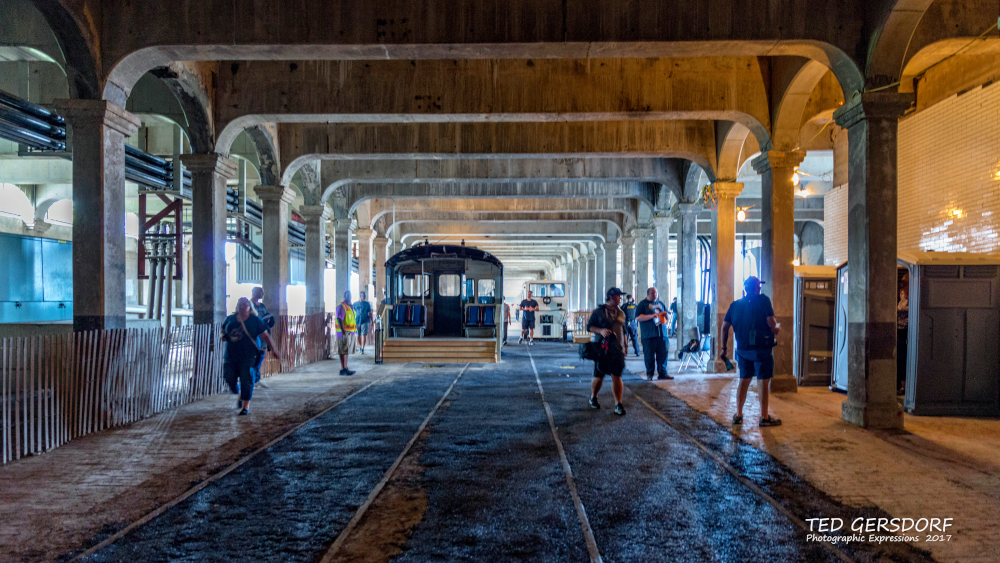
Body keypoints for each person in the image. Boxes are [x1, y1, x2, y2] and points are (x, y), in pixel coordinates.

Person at [720, 276, 782, 427]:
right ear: (756, 288)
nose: (760, 288)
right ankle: (764, 417)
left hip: (742, 349)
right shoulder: (763, 300)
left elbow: (724, 327)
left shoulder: (735, 305)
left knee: (744, 379)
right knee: (762, 381)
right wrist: (775, 329)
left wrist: (724, 348)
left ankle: (739, 414)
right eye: (759, 286)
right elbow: (770, 321)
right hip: (762, 349)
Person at [221, 297, 279, 416]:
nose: (243, 306)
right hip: (231, 355)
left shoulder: (255, 320)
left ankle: (246, 406)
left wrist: (273, 349)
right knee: (228, 377)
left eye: (245, 304)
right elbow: (223, 330)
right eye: (240, 304)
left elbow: (265, 336)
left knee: (247, 379)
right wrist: (223, 335)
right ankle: (239, 394)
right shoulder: (230, 319)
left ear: (250, 307)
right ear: (237, 306)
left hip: (249, 355)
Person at [587, 287, 628, 415]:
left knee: (617, 375)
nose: (620, 298)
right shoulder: (598, 312)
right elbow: (590, 327)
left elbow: (623, 329)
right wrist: (600, 331)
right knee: (599, 375)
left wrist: (625, 345)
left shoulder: (621, 313)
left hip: (617, 349)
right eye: (618, 296)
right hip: (602, 349)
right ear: (611, 297)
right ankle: (593, 397)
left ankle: (618, 404)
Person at [635, 287, 673, 380]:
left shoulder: (660, 303)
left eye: (656, 293)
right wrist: (651, 316)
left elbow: (667, 317)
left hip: (662, 335)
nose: (655, 295)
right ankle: (650, 374)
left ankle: (662, 373)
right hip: (649, 336)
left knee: (663, 355)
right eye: (653, 293)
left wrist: (665, 314)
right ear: (648, 294)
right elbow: (638, 317)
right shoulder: (642, 304)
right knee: (649, 356)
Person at [250, 287, 276, 386]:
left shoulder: (262, 306)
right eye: (260, 292)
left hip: (263, 336)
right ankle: (254, 379)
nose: (262, 293)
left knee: (261, 356)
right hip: (255, 336)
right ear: (254, 292)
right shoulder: (249, 305)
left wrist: (269, 319)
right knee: (254, 358)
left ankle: (256, 378)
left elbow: (266, 316)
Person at [336, 290, 358, 376]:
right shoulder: (342, 306)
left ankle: (345, 368)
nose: (349, 297)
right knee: (343, 350)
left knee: (346, 350)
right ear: (345, 296)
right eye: (348, 295)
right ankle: (343, 368)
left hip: (350, 332)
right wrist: (343, 331)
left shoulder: (350, 306)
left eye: (350, 295)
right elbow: (339, 318)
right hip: (344, 332)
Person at [897, 286, 909, 395]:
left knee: (904, 359)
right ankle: (902, 385)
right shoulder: (901, 300)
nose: (902, 292)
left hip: (907, 331)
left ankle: (905, 386)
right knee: (900, 358)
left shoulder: (912, 299)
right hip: (899, 331)